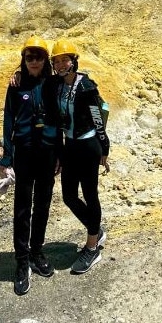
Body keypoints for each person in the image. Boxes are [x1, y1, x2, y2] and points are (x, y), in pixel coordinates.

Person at [0, 36, 61, 296]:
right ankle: (21, 262)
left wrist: (60, 154)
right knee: (23, 208)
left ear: (45, 60)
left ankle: (37, 251)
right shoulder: (16, 85)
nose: (34, 61)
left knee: (43, 204)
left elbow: (59, 119)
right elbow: (8, 121)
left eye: (38, 57)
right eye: (29, 57)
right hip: (24, 152)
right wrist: (6, 158)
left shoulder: (53, 83)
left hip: (47, 152)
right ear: (24, 60)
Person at [50, 38, 110, 274]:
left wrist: (104, 149)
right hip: (69, 146)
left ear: (74, 61)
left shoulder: (86, 87)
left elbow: (97, 118)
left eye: (65, 59)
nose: (61, 64)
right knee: (68, 196)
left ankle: (92, 247)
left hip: (88, 146)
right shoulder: (56, 85)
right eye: (57, 61)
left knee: (90, 194)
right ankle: (96, 230)